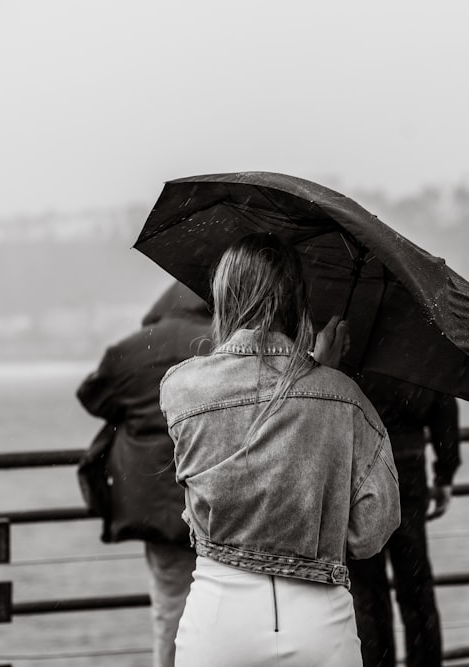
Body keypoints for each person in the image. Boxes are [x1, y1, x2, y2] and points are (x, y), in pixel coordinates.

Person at [159, 233, 401, 666]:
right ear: (295, 299)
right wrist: (326, 378)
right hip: (320, 619)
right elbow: (371, 530)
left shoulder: (182, 387)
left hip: (220, 616)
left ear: (224, 295)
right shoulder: (343, 396)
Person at [76, 281, 212, 667]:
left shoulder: (130, 350)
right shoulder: (222, 344)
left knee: (171, 605)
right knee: (227, 603)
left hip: (156, 505)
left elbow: (94, 397)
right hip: (217, 497)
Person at [347, 375, 461, 667]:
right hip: (408, 468)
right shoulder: (422, 344)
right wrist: (445, 471)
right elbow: (443, 404)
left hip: (359, 471)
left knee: (368, 594)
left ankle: (376, 661)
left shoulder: (350, 340)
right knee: (417, 589)